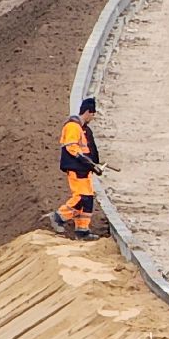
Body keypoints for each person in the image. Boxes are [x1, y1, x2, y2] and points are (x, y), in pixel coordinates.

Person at [48, 97, 103, 241]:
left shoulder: (84, 129)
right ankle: (59, 216)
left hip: (84, 170)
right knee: (81, 197)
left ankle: (82, 230)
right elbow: (72, 147)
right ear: (87, 112)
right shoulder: (73, 126)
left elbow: (88, 149)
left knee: (87, 199)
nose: (93, 117)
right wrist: (88, 162)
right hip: (76, 168)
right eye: (92, 114)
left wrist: (93, 164)